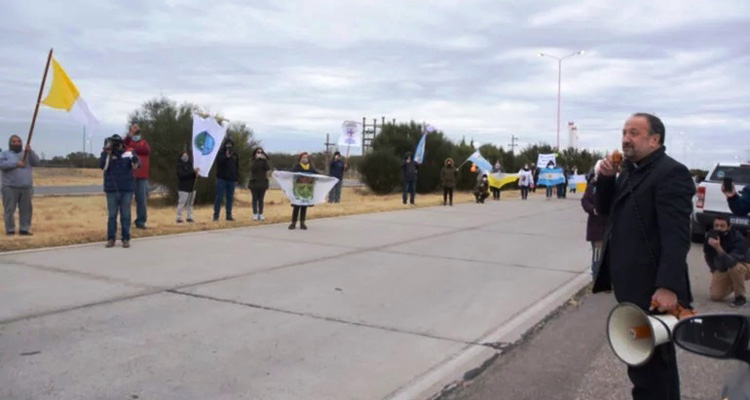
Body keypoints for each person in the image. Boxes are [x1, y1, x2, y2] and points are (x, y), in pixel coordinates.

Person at [594, 113, 694, 400]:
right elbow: (605, 212)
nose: (626, 138)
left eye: (634, 133)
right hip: (632, 287)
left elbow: (676, 237)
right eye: (624, 132)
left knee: (656, 370)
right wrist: (606, 179)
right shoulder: (629, 170)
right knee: (641, 366)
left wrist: (668, 286)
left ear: (655, 139)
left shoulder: (670, 173)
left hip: (654, 291)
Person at [100, 134, 140, 248]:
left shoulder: (129, 153)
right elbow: (102, 165)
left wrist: (135, 161)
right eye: (114, 143)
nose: (116, 146)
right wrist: (107, 153)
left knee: (126, 214)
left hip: (126, 188)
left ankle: (126, 238)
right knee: (112, 214)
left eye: (118, 143)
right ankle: (111, 238)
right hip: (111, 188)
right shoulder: (106, 154)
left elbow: (137, 166)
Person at [704, 216, 750, 306]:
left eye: (722, 226)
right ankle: (734, 282)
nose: (719, 228)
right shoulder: (710, 237)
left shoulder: (737, 238)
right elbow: (708, 256)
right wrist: (714, 270)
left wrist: (718, 247)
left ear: (729, 227)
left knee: (735, 268)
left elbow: (731, 262)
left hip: (744, 265)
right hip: (724, 268)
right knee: (715, 296)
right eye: (716, 226)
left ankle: (740, 297)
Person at [0, 135, 40, 235]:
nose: (17, 143)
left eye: (19, 141)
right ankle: (10, 230)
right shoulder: (5, 154)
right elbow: (1, 164)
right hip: (9, 187)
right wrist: (16, 164)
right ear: (10, 143)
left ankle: (24, 229)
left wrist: (30, 152)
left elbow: (36, 162)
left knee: (26, 210)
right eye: (14, 141)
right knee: (9, 210)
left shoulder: (26, 154)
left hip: (26, 187)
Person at [581, 169, 608, 275]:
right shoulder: (592, 187)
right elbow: (585, 201)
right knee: (598, 257)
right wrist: (593, 209)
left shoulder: (615, 186)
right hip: (597, 229)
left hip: (611, 228)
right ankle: (596, 278)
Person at [123, 123, 151, 230]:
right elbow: (124, 145)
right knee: (126, 200)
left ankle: (141, 221)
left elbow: (144, 150)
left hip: (142, 176)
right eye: (133, 129)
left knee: (142, 200)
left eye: (137, 129)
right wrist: (130, 136)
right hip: (129, 176)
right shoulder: (127, 142)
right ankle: (126, 221)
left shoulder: (144, 143)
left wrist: (133, 145)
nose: (135, 131)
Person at [289, 152, 319, 230]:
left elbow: (316, 175)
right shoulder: (297, 166)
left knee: (304, 206)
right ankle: (293, 222)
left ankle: (302, 223)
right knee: (296, 206)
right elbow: (291, 173)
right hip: (298, 189)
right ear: (300, 158)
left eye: (306, 157)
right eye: (303, 157)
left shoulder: (310, 167)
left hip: (307, 190)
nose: (305, 159)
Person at [214, 138, 239, 222]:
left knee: (230, 198)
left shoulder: (235, 154)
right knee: (219, 197)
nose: (229, 146)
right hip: (222, 179)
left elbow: (236, 167)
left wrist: (236, 178)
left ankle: (229, 215)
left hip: (232, 179)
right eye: (228, 144)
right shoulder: (220, 153)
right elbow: (218, 162)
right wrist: (226, 157)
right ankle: (216, 215)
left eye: (231, 145)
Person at [176, 151, 198, 224]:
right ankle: (179, 217)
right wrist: (192, 172)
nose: (186, 157)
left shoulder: (191, 165)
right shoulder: (179, 166)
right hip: (183, 188)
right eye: (184, 156)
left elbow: (193, 175)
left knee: (190, 204)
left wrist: (196, 174)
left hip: (192, 187)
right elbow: (181, 175)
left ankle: (189, 217)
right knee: (182, 203)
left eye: (187, 155)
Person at [249, 147, 270, 221]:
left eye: (261, 152)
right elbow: (252, 168)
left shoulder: (264, 161)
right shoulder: (252, 160)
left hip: (262, 182)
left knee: (261, 199)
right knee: (254, 199)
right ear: (255, 153)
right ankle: (255, 213)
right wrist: (256, 160)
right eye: (258, 152)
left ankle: (260, 213)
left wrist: (265, 160)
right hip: (254, 182)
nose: (259, 154)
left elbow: (267, 168)